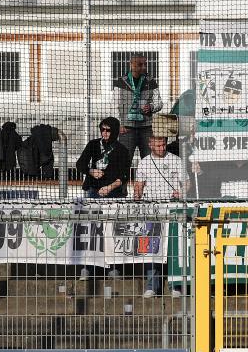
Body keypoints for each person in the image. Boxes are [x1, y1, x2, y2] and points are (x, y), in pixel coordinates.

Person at [133, 135, 187, 297]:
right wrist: (137, 197)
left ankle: (175, 285)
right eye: (158, 145)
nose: (162, 148)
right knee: (152, 247)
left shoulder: (176, 160)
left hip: (172, 209)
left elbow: (187, 183)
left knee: (173, 247)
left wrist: (182, 192)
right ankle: (152, 286)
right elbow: (139, 185)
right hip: (152, 209)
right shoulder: (144, 162)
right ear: (150, 144)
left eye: (163, 145)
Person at [114, 53, 163, 161]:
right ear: (131, 65)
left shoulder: (151, 82)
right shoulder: (121, 82)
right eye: (140, 64)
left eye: (145, 64)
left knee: (149, 160)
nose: (144, 67)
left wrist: (151, 107)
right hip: (126, 128)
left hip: (146, 128)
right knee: (124, 160)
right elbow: (115, 105)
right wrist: (119, 124)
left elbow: (159, 103)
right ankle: (123, 178)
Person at [76, 117, 130, 199]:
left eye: (108, 130)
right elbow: (80, 164)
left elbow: (124, 176)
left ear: (115, 131)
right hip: (93, 188)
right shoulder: (93, 144)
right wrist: (91, 171)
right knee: (91, 210)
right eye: (102, 129)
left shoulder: (122, 150)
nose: (104, 132)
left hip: (113, 191)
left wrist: (109, 187)